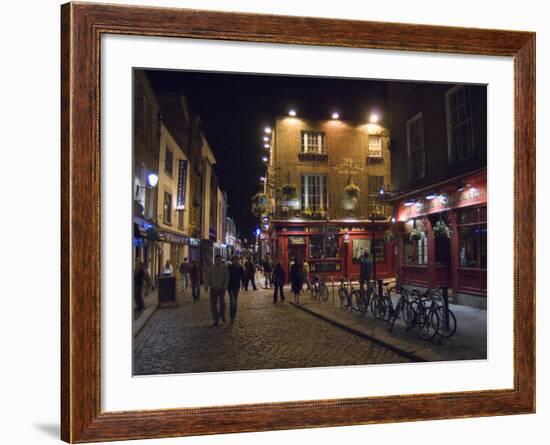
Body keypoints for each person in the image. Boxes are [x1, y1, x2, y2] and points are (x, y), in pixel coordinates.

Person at [204, 255, 229, 326]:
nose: (218, 261)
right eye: (217, 260)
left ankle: (222, 315)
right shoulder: (211, 268)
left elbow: (227, 278)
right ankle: (216, 319)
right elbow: (207, 278)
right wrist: (206, 287)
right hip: (213, 289)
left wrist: (225, 286)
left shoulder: (224, 268)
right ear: (215, 260)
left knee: (222, 303)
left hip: (221, 288)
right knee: (213, 305)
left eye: (219, 260)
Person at [227, 255, 244, 321]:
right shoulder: (229, 267)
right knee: (232, 301)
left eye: (237, 259)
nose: (236, 261)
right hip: (230, 286)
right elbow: (227, 276)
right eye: (234, 259)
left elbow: (242, 276)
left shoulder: (240, 267)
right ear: (232, 260)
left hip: (237, 286)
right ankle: (232, 316)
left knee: (235, 301)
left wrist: (243, 283)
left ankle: (234, 315)